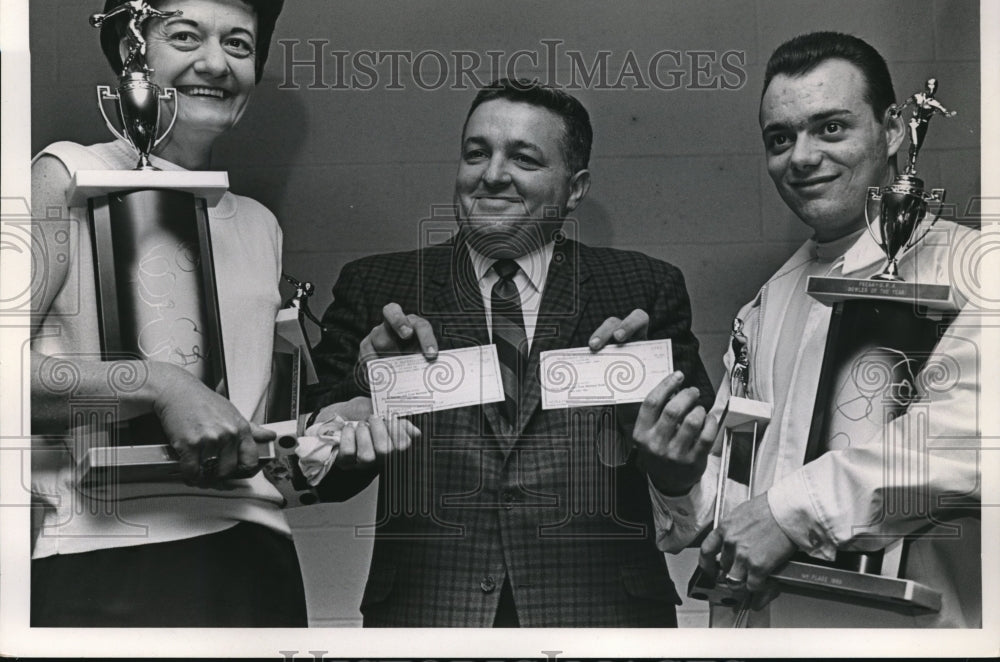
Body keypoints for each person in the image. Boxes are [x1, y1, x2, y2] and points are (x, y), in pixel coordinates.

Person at [306, 78, 715, 627]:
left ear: (575, 188)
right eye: (477, 153)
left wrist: (657, 435)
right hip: (432, 621)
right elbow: (317, 470)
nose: (493, 174)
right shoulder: (380, 289)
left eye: (523, 158)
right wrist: (360, 392)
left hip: (604, 622)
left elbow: (695, 468)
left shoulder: (642, 288)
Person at [634, 31, 981, 627]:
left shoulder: (975, 272)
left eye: (831, 128)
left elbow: (968, 442)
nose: (800, 156)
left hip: (912, 633)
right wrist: (678, 477)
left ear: (894, 129)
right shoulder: (767, 303)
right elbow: (740, 490)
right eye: (780, 138)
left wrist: (792, 512)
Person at [31, 0, 302, 627]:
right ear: (133, 51)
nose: (216, 63)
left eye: (239, 45)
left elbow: (241, 417)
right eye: (186, 37)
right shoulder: (66, 172)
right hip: (112, 557)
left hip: (259, 555)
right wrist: (158, 383)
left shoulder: (259, 224)